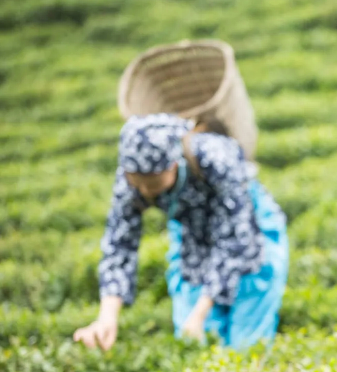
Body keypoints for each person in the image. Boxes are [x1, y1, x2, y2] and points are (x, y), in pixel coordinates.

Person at [73, 113, 288, 351]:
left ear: (174, 164)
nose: (145, 191)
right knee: (195, 344)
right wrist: (107, 318)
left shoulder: (216, 157)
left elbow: (235, 239)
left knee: (245, 341)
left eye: (153, 183)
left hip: (248, 228)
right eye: (137, 182)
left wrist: (199, 314)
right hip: (192, 232)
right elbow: (119, 243)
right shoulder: (130, 176)